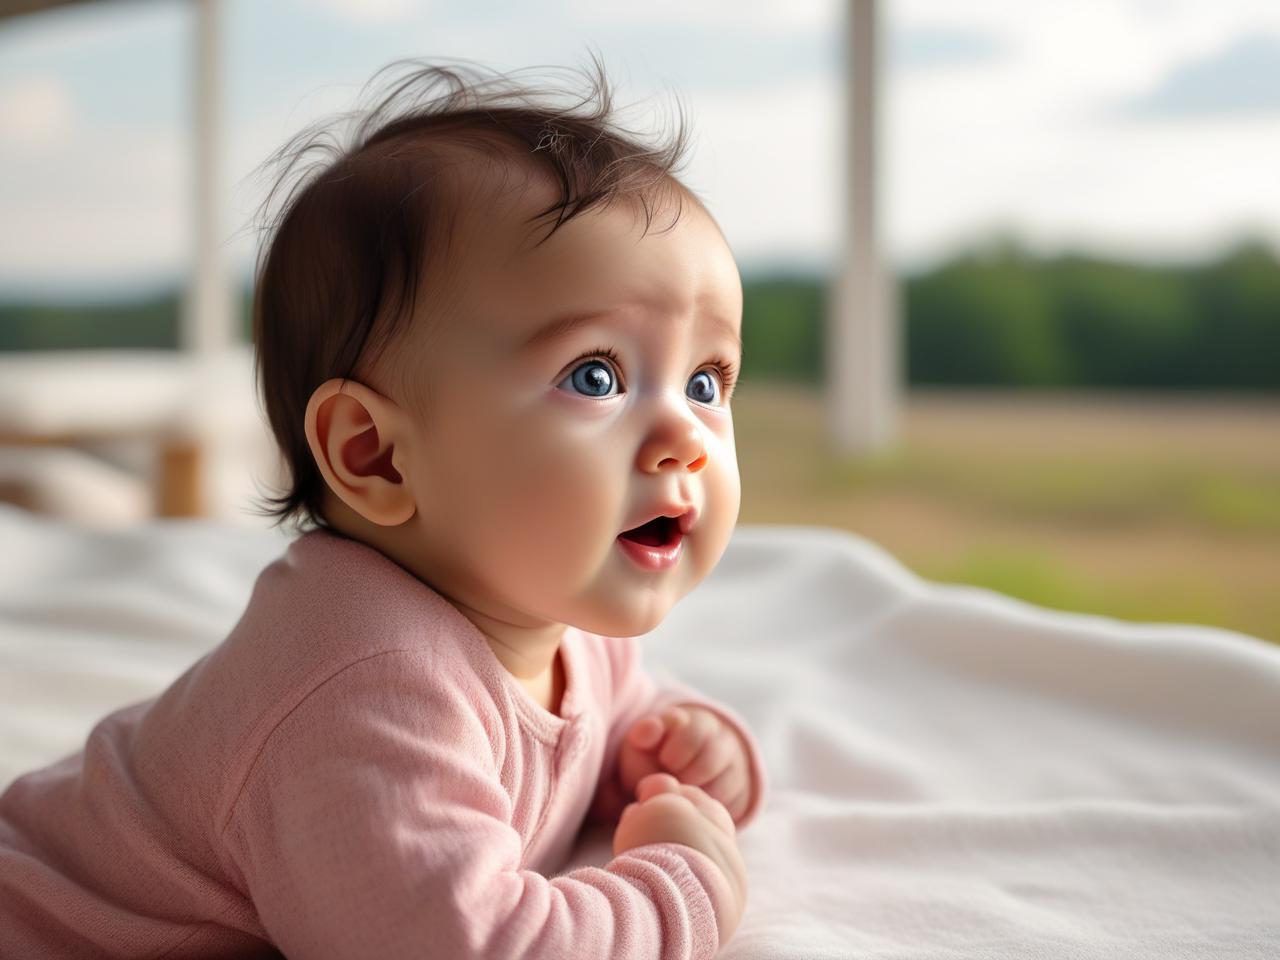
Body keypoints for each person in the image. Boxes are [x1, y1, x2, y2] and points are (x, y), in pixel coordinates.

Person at [0, 53, 767, 960]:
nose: (686, 434)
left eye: (706, 380)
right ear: (375, 456)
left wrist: (678, 748)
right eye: (595, 375)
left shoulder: (560, 617)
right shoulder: (364, 687)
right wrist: (683, 885)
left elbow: (616, 716)